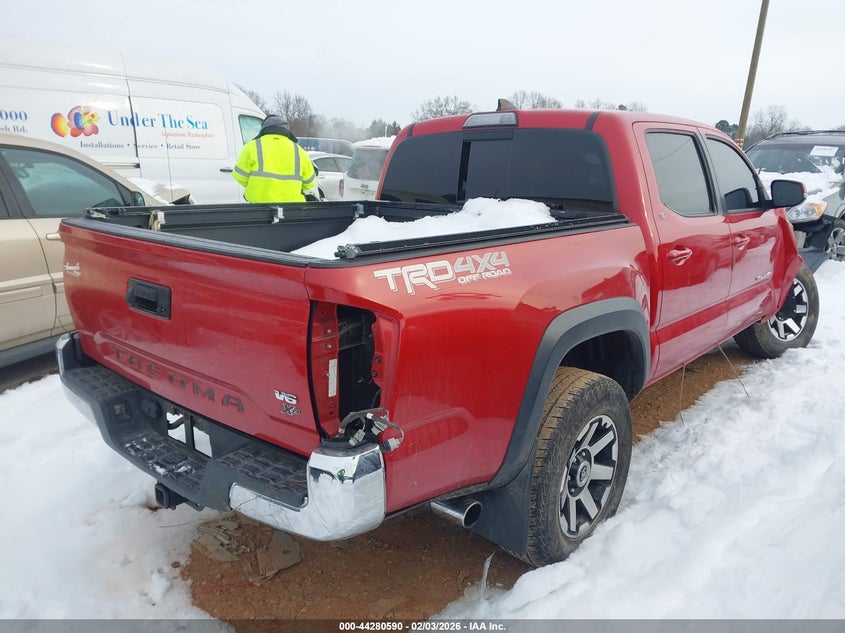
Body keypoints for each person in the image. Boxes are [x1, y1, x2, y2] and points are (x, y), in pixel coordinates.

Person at [232, 115, 318, 203]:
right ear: (287, 131)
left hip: (258, 207)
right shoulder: (300, 151)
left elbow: (240, 177)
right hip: (291, 210)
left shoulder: (251, 147)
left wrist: (258, 188)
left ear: (264, 129)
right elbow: (310, 183)